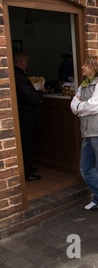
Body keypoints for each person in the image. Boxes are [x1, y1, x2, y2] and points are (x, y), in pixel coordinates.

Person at [70, 56, 98, 211]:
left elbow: (94, 106)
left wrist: (79, 107)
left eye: (86, 65)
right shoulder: (83, 85)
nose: (82, 67)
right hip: (87, 131)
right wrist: (81, 106)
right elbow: (72, 105)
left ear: (95, 67)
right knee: (85, 167)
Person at [13, 51, 46, 182]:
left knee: (27, 143)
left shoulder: (17, 74)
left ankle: (29, 168)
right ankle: (26, 173)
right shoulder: (19, 76)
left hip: (24, 114)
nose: (27, 64)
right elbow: (30, 97)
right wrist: (39, 92)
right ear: (22, 62)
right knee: (26, 144)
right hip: (25, 114)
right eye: (26, 62)